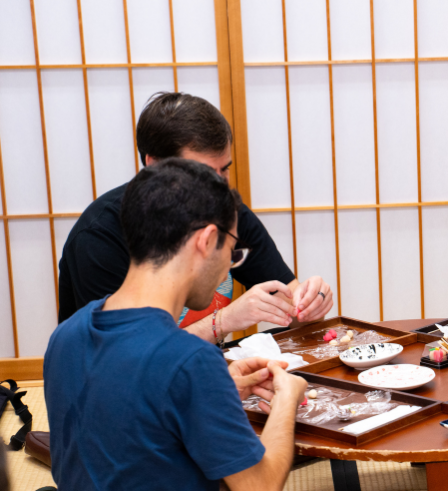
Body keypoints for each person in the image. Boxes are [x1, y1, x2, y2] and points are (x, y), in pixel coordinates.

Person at [45, 159, 308, 490]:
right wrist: (286, 400)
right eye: (231, 251)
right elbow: (260, 485)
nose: (229, 266)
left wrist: (215, 391)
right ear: (206, 239)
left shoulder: (65, 336)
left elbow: (125, 418)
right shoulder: (190, 361)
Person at [58, 92, 334, 343]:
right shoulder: (100, 236)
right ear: (154, 164)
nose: (217, 186)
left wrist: (309, 304)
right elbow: (121, 357)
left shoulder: (229, 214)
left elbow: (293, 309)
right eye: (200, 172)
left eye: (224, 170)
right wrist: (223, 321)